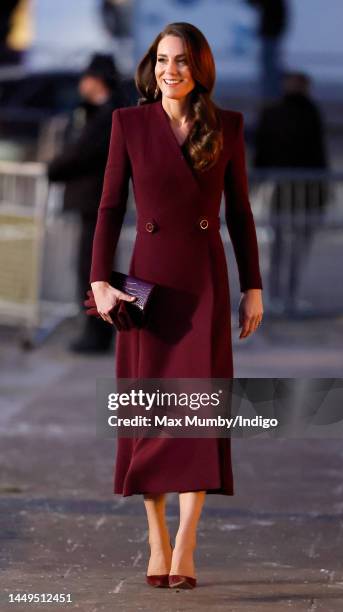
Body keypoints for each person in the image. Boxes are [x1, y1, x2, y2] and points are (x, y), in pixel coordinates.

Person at [89, 22, 264, 589]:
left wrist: (252, 285)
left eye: (183, 61)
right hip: (149, 286)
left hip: (205, 282)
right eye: (163, 59)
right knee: (150, 411)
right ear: (150, 66)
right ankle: (156, 534)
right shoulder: (128, 123)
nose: (171, 70)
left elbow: (240, 213)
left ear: (201, 68)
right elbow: (109, 208)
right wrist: (98, 282)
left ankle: (187, 538)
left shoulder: (228, 126)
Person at [48, 53, 125, 353]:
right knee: (93, 270)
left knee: (95, 272)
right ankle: (97, 329)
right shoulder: (93, 112)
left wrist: (53, 169)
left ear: (97, 80)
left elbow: (81, 152)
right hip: (92, 203)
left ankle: (98, 332)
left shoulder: (108, 115)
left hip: (98, 203)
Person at [253, 71, 328, 313]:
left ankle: (279, 295)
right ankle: (283, 295)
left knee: (281, 245)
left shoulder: (277, 112)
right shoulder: (309, 113)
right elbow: (318, 154)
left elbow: (261, 153)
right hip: (300, 189)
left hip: (285, 188)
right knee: (290, 245)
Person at [246, 0, 288, 100]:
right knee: (270, 65)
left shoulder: (273, 5)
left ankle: (272, 93)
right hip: (271, 34)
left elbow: (255, 3)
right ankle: (272, 92)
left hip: (270, 35)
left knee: (270, 66)